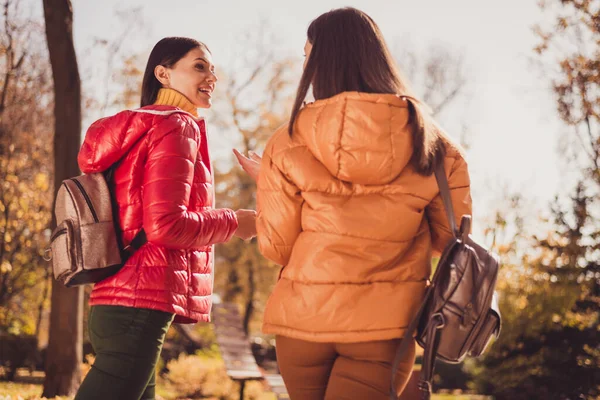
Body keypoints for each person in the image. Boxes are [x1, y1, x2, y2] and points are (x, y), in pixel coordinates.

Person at [234, 7, 472, 400]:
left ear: (319, 63)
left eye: (307, 54)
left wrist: (275, 187)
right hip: (385, 329)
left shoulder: (287, 140)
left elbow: (277, 247)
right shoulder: (437, 146)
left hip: (303, 323)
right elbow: (450, 243)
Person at [75, 37, 256, 400]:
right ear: (163, 74)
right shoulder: (177, 126)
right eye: (199, 66)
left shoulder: (140, 129)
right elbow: (166, 225)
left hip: (114, 300)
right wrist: (236, 222)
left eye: (213, 69)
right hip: (140, 305)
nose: (212, 77)